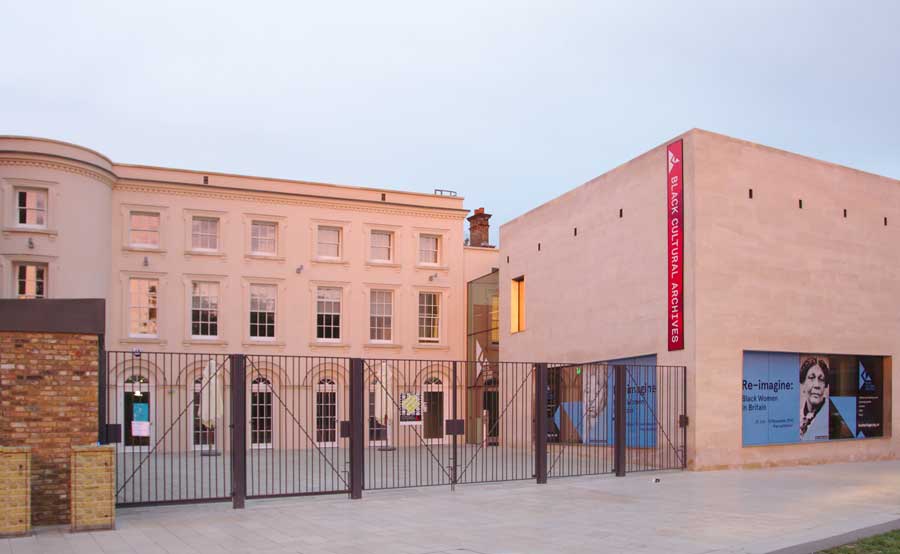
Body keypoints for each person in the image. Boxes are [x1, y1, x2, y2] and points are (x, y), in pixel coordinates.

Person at [799, 356, 829, 441]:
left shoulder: (831, 415)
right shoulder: (797, 416)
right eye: (811, 378)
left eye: (821, 379)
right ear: (803, 383)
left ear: (825, 385)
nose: (816, 385)